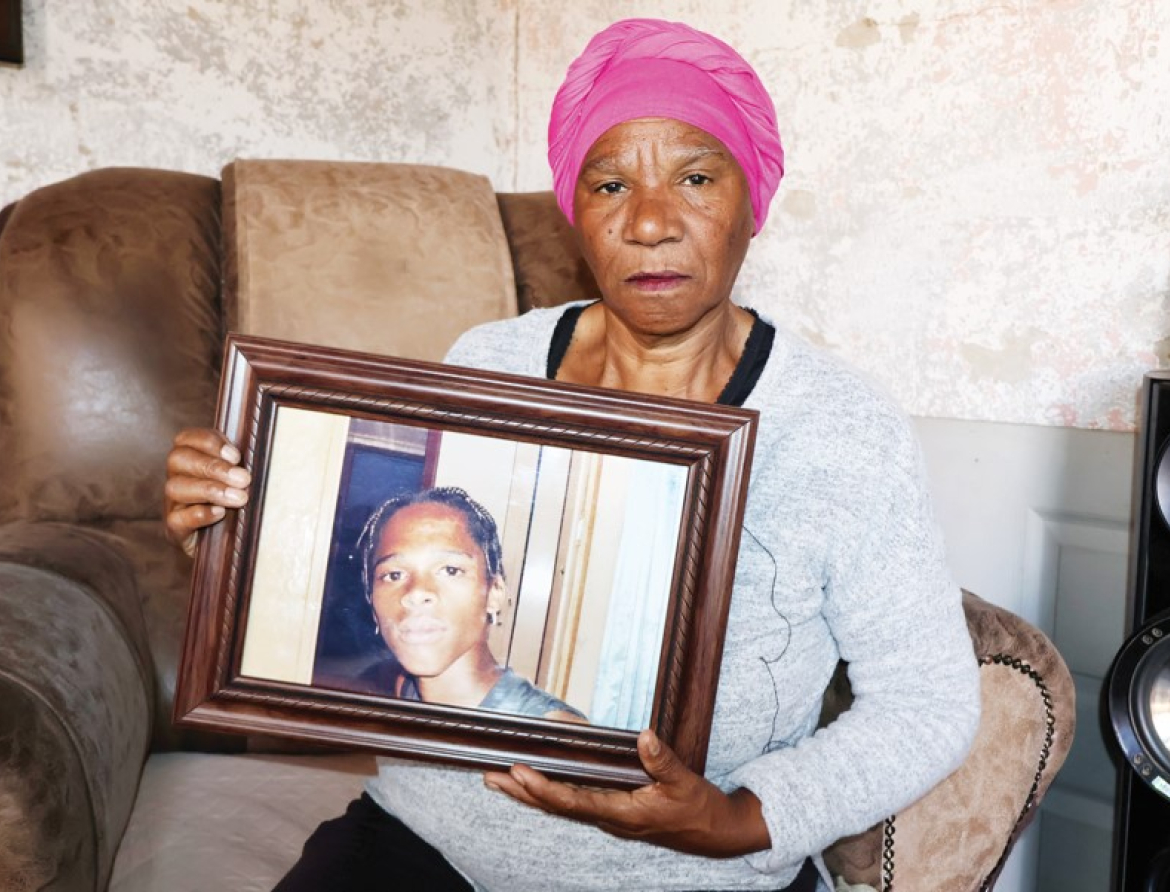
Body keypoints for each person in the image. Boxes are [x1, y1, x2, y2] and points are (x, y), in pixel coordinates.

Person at [163, 17, 980, 892]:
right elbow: (400, 579)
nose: (653, 222)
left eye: (697, 178)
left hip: (699, 876)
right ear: (575, 213)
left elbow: (928, 701)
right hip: (431, 850)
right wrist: (239, 544)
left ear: (753, 202)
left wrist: (737, 819)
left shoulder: (842, 426)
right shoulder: (490, 364)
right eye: (611, 184)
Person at [358, 485, 587, 722]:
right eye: (393, 575)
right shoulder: (403, 690)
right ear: (372, 605)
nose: (417, 592)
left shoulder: (548, 735)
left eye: (450, 570)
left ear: (494, 593)